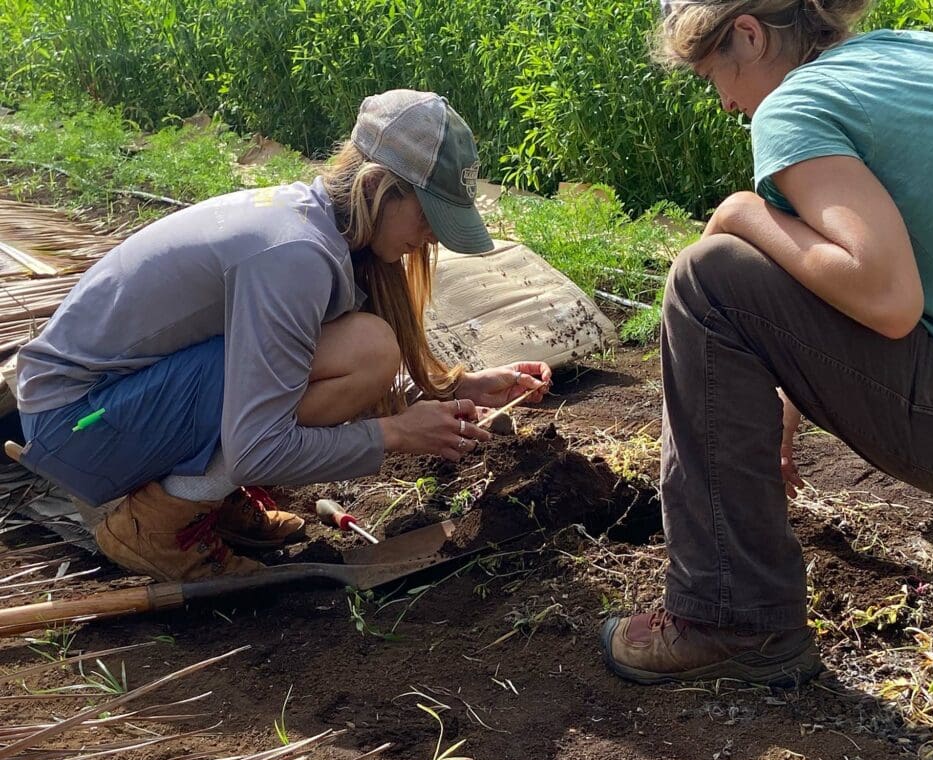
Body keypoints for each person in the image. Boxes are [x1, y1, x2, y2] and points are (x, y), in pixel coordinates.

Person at [601, 0, 933, 686]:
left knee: (708, 278)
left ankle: (733, 616)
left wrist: (740, 213)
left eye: (715, 76)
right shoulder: (921, 53)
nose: (727, 105)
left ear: (748, 33)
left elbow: (886, 299)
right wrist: (783, 376)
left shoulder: (796, 103)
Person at [14, 89, 552, 582]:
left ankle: (203, 498)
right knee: (368, 349)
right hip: (77, 425)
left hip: (118, 409)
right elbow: (259, 450)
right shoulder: (294, 256)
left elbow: (291, 366)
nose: (432, 235)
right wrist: (396, 434)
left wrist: (461, 387)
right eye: (428, 216)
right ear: (375, 189)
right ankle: (160, 521)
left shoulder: (316, 229)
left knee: (362, 351)